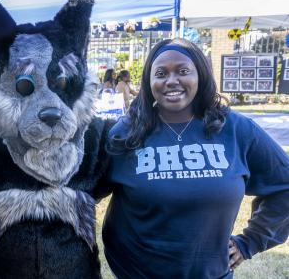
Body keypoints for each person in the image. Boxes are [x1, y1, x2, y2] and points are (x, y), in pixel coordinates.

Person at [102, 38, 289, 279]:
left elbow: (284, 184)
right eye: (160, 73)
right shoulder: (126, 133)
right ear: (149, 82)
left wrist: (250, 241)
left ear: (200, 75)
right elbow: (81, 191)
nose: (171, 81)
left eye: (183, 71)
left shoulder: (235, 129)